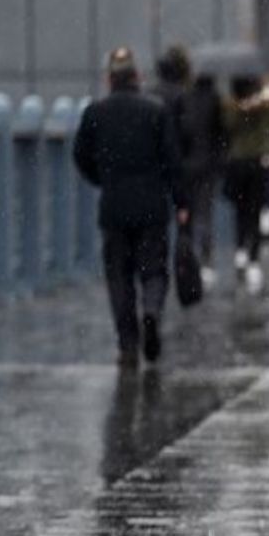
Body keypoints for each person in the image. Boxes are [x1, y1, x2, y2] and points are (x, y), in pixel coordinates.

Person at [74, 47, 186, 367]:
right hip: (152, 206)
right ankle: (151, 311)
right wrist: (181, 203)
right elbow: (172, 161)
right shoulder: (156, 111)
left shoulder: (95, 113)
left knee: (119, 276)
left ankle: (128, 344)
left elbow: (81, 157)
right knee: (153, 270)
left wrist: (103, 180)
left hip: (114, 207)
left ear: (109, 79)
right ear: (137, 77)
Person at [223, 74, 269, 293]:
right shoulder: (263, 105)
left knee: (241, 210)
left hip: (237, 162)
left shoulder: (231, 107)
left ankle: (241, 251)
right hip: (258, 161)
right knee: (254, 210)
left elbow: (226, 127)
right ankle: (252, 258)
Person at [177, 73, 226, 284]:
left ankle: (186, 258)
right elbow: (221, 134)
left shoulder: (187, 99)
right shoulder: (215, 100)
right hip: (208, 166)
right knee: (206, 212)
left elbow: (183, 131)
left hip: (188, 166)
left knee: (187, 213)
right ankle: (205, 260)